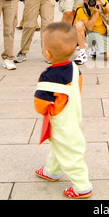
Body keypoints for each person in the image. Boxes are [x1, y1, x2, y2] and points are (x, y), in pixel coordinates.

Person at [34, 21, 93, 199]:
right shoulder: (74, 68)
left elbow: (39, 104)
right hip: (73, 115)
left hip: (61, 121)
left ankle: (82, 186)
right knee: (59, 145)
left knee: (69, 152)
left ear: (47, 53)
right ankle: (51, 170)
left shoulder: (48, 76)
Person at [73, 0, 109, 64]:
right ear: (84, 0)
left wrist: (102, 2)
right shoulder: (80, 7)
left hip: (103, 35)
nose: (92, 0)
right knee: (79, 25)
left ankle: (94, 48)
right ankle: (83, 52)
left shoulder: (100, 0)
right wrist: (95, 12)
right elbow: (89, 27)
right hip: (89, 35)